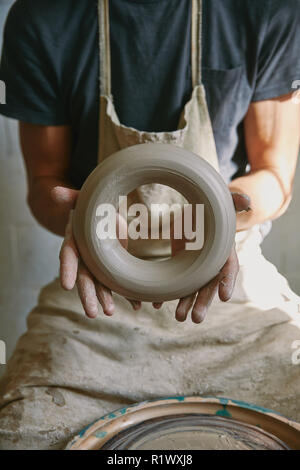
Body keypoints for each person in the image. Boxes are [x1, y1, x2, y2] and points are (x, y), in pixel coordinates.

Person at [0, 0, 300, 450]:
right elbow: (45, 184)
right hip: (99, 285)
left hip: (226, 270)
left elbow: (276, 176)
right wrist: (83, 220)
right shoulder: (42, 15)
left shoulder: (265, 9)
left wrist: (213, 218)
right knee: (26, 430)